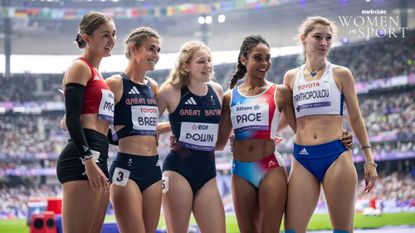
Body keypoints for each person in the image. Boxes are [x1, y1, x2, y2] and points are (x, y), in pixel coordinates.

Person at [283, 16, 378, 233]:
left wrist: (369, 160)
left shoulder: (341, 74)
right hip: (303, 158)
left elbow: (355, 117)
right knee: (292, 230)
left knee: (342, 230)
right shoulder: (290, 77)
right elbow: (281, 117)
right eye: (318, 37)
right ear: (303, 39)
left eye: (328, 38)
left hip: (336, 155)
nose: (324, 42)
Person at [215, 35, 295, 233]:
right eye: (258, 58)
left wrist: (339, 134)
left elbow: (301, 128)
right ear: (244, 59)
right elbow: (218, 143)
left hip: (270, 167)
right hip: (241, 170)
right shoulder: (229, 96)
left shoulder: (280, 92)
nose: (264, 63)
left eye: (268, 58)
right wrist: (179, 136)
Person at [157, 41, 226, 233]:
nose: (208, 65)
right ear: (186, 66)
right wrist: (167, 129)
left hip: (207, 170)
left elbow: (218, 128)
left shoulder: (217, 91)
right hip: (179, 168)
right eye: (201, 61)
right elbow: (145, 124)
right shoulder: (170, 90)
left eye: (209, 60)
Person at [56, 11, 116, 233]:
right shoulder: (79, 67)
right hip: (83, 158)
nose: (111, 41)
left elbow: (82, 117)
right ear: (87, 37)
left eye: (113, 35)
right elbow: (72, 118)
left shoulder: (98, 75)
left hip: (99, 153)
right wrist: (88, 161)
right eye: (105, 35)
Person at [105, 27, 162, 233]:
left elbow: (146, 127)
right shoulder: (115, 83)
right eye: (151, 49)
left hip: (154, 168)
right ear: (134, 49)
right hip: (126, 167)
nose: (156, 55)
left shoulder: (153, 86)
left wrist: (175, 128)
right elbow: (97, 125)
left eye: (158, 50)